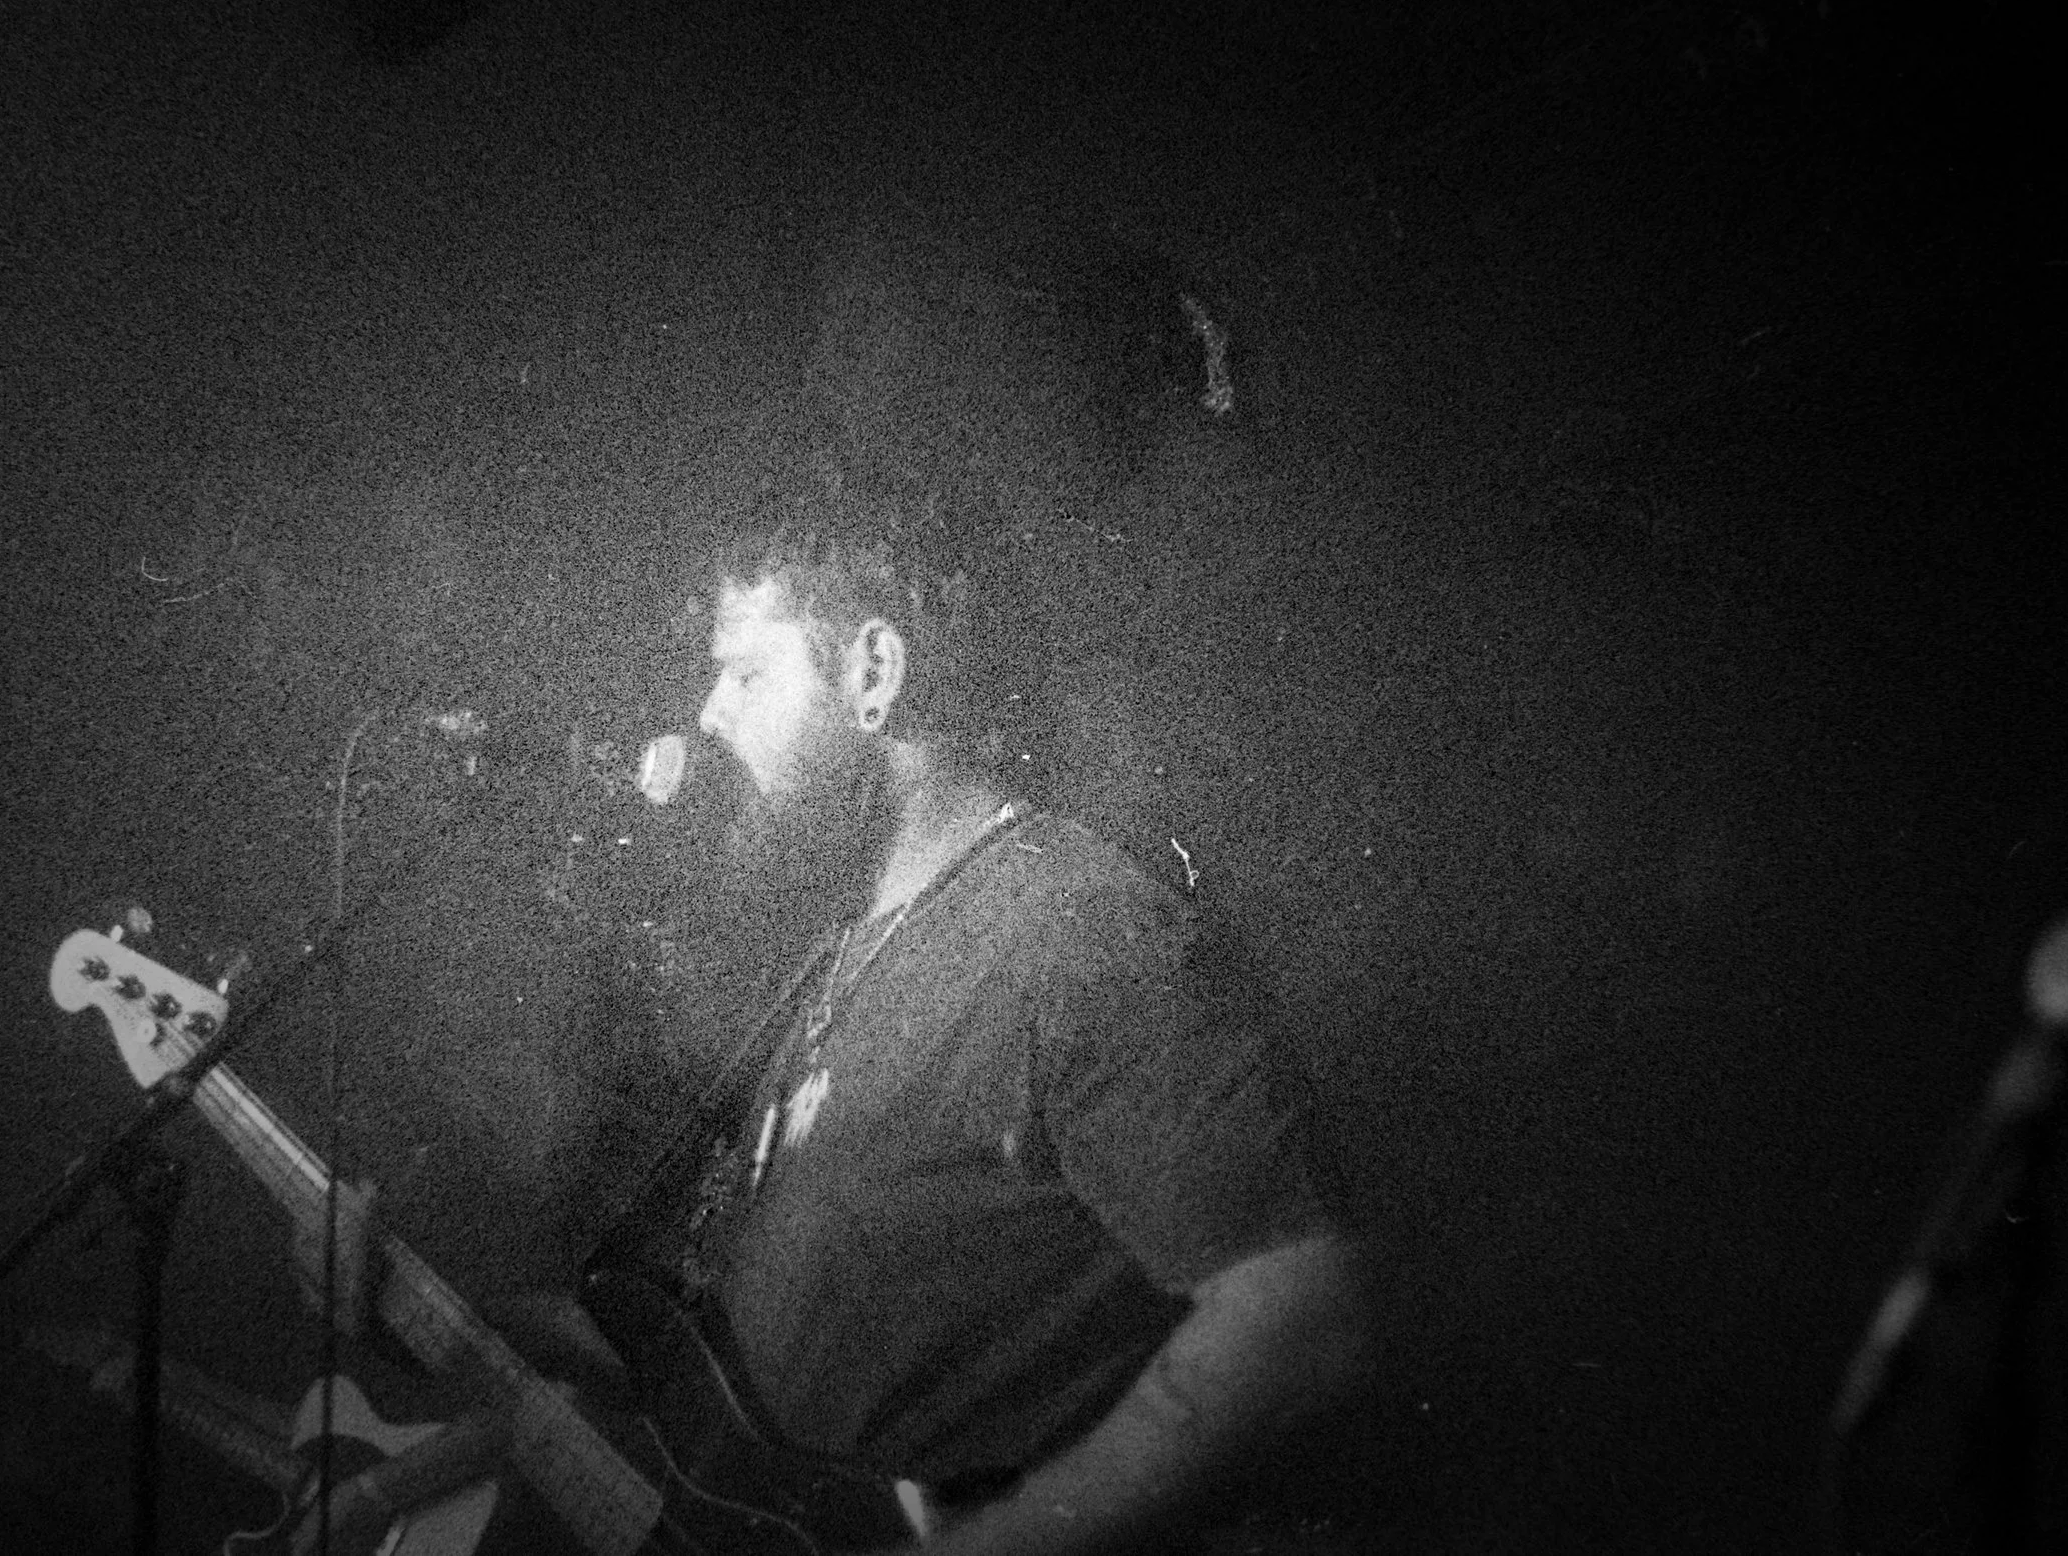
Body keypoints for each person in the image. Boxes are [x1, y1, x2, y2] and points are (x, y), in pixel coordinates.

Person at [296, 514, 1361, 1554]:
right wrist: (408, 1305)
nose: (709, 715)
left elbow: (1295, 1316)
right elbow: (693, 1367)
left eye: (748, 674)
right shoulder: (836, 957)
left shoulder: (1075, 929)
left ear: (872, 672)